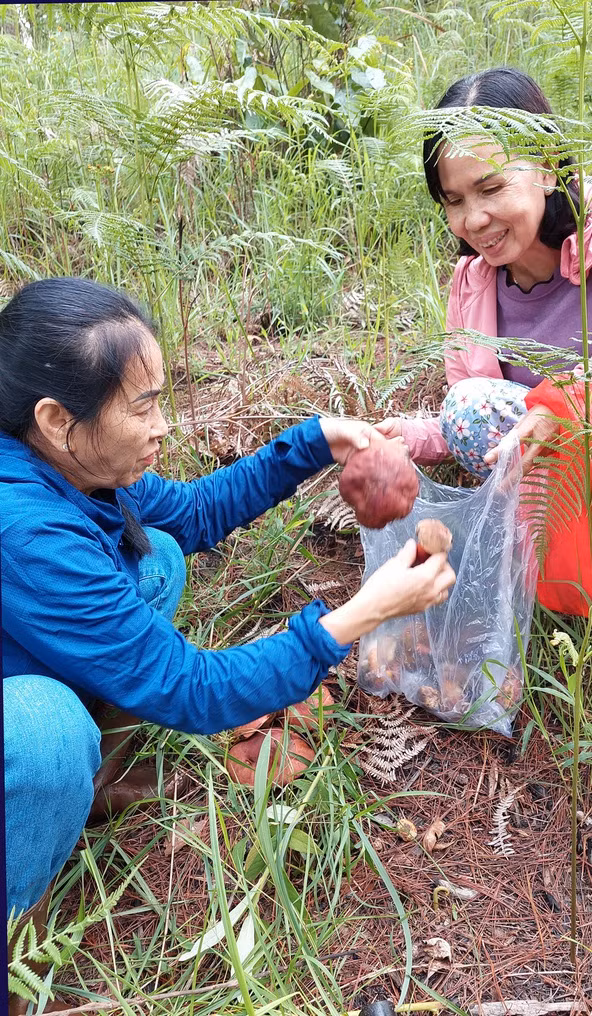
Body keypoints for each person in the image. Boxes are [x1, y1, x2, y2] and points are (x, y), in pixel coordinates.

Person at [2, 277, 455, 1013]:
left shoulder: (69, 466)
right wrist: (358, 614)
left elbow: (194, 511)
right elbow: (191, 690)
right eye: (143, 405)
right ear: (57, 418)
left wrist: (315, 440)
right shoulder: (23, 528)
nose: (162, 426)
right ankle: (16, 952)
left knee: (157, 559)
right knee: (44, 730)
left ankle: (89, 786)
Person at [377, 67, 592, 477]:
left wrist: (568, 404)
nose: (474, 220)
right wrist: (409, 438)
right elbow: (491, 419)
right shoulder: (471, 284)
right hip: (565, 497)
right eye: (455, 200)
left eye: (492, 188)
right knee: (466, 404)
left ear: (548, 168)